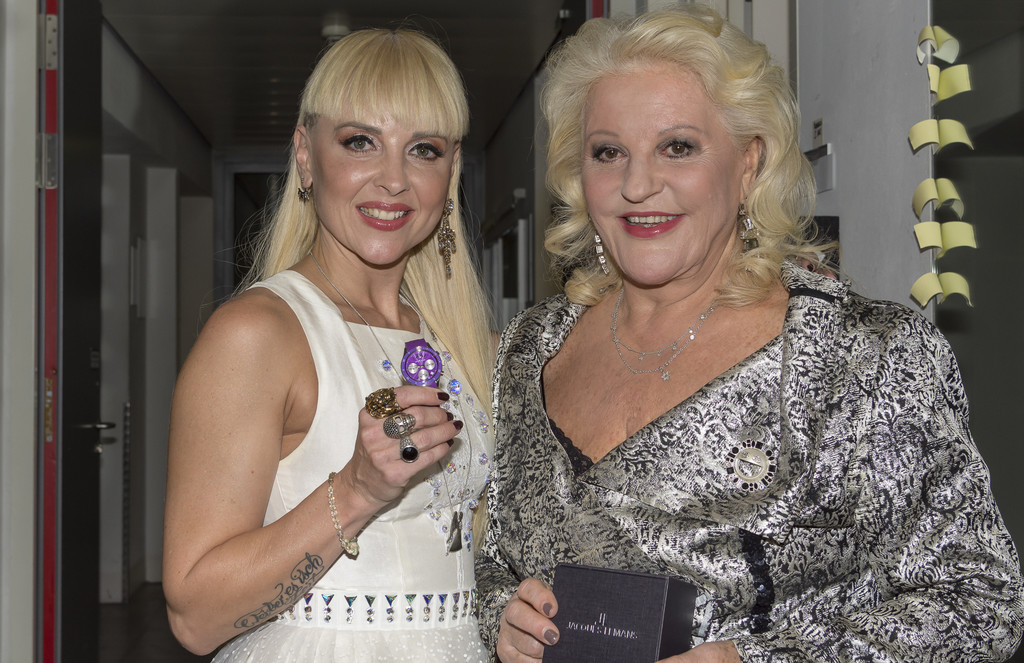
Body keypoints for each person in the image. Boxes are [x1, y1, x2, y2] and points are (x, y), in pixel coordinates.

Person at [476, 5, 1023, 662]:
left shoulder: (861, 354)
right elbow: (492, 560)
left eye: (677, 147)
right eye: (608, 152)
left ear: (748, 163)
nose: (637, 184)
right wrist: (502, 616)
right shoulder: (529, 349)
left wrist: (754, 660)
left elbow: (979, 603)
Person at [163, 28, 495, 662]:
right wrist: (359, 489)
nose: (393, 179)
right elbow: (195, 619)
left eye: (423, 150)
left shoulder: (465, 344)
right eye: (360, 142)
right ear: (306, 155)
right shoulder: (258, 334)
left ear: (451, 170)